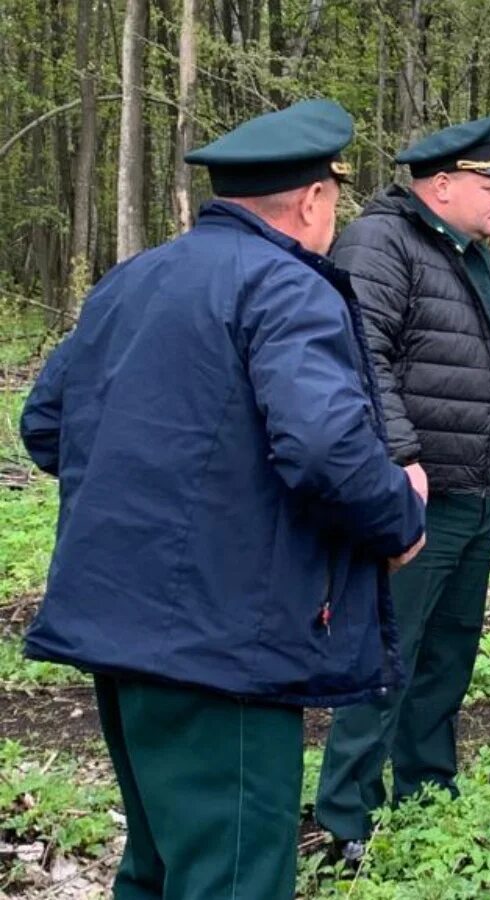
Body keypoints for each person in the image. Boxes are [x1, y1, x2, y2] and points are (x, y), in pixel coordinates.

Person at [17, 99, 427, 900]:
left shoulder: (133, 279)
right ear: (313, 199)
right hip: (225, 638)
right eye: (334, 200)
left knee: (159, 862)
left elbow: (46, 424)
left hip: (119, 626)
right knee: (233, 874)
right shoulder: (286, 287)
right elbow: (323, 448)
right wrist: (398, 513)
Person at [315, 116, 490, 860]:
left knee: (449, 653)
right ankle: (347, 816)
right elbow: (359, 355)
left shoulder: (475, 257)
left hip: (472, 493)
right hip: (416, 496)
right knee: (388, 653)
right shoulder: (382, 244)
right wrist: (403, 455)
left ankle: (426, 792)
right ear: (441, 185)